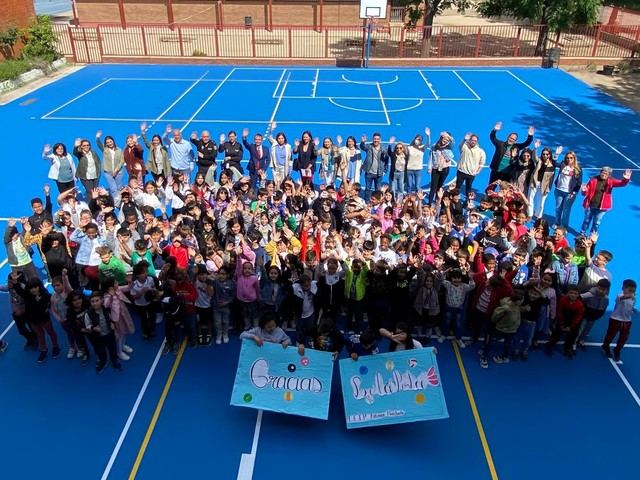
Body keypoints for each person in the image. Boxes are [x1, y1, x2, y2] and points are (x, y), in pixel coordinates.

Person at [580, 167, 631, 235]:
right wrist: (584, 191)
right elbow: (586, 192)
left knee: (596, 222)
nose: (604, 174)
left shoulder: (611, 181)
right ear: (600, 172)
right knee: (586, 220)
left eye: (606, 173)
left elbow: (621, 183)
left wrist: (626, 179)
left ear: (609, 174)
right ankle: (582, 233)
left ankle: (593, 234)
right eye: (602, 172)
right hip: (590, 205)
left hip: (602, 207)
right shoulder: (593, 180)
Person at [602, 278, 636, 364]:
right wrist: (630, 296)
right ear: (623, 288)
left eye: (633, 290)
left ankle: (617, 350)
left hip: (627, 321)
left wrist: (634, 309)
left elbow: (630, 307)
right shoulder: (620, 296)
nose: (632, 292)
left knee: (623, 338)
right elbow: (623, 298)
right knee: (610, 335)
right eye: (630, 290)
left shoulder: (633, 298)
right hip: (615, 319)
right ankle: (605, 346)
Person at [545, 285, 585, 358]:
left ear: (578, 295)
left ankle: (567, 349)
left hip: (573, 323)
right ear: (567, 293)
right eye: (571, 293)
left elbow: (578, 318)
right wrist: (562, 324)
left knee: (571, 337)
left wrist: (570, 327)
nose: (573, 295)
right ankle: (550, 345)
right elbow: (559, 311)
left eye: (575, 293)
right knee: (555, 335)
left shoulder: (580, 305)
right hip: (562, 321)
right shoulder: (563, 300)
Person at [553, 151, 582, 229]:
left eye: (571, 158)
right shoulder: (563, 164)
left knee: (566, 210)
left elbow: (579, 182)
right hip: (559, 190)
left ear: (574, 159)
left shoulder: (578, 168)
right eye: (567, 158)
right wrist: (556, 154)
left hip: (569, 193)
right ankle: (557, 223)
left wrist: (575, 191)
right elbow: (554, 163)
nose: (569, 159)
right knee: (558, 208)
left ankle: (564, 227)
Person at [427, 131, 454, 205]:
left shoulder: (449, 147)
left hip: (445, 169)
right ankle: (429, 202)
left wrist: (448, 136)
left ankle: (437, 200)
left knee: (440, 186)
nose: (445, 141)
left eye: (447, 140)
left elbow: (453, 143)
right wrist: (429, 168)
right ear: (441, 138)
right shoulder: (434, 146)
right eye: (444, 139)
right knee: (433, 187)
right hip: (435, 169)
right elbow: (430, 157)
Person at [95, 131, 125, 198]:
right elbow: (99, 144)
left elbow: (121, 161)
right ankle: (115, 202)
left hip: (118, 172)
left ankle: (120, 200)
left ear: (113, 141)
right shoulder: (105, 150)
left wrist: (116, 170)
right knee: (113, 188)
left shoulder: (119, 150)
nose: (109, 143)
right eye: (107, 142)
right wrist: (97, 137)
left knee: (119, 187)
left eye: (110, 141)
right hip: (108, 172)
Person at [360, 133, 389, 200]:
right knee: (367, 189)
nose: (376, 140)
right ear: (373, 139)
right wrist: (362, 142)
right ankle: (366, 202)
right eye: (375, 139)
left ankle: (377, 203)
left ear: (380, 140)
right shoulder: (369, 146)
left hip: (379, 173)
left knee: (377, 190)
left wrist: (385, 170)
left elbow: (387, 160)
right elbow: (362, 147)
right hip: (369, 172)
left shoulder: (383, 149)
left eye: (377, 139)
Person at [456, 132, 486, 199]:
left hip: (471, 174)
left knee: (468, 189)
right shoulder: (464, 147)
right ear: (469, 140)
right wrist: (464, 139)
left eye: (475, 141)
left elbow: (482, 163)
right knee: (457, 188)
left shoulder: (481, 151)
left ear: (477, 141)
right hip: (461, 171)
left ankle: (468, 203)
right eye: (472, 140)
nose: (473, 142)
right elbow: (460, 146)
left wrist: (477, 172)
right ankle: (454, 201)